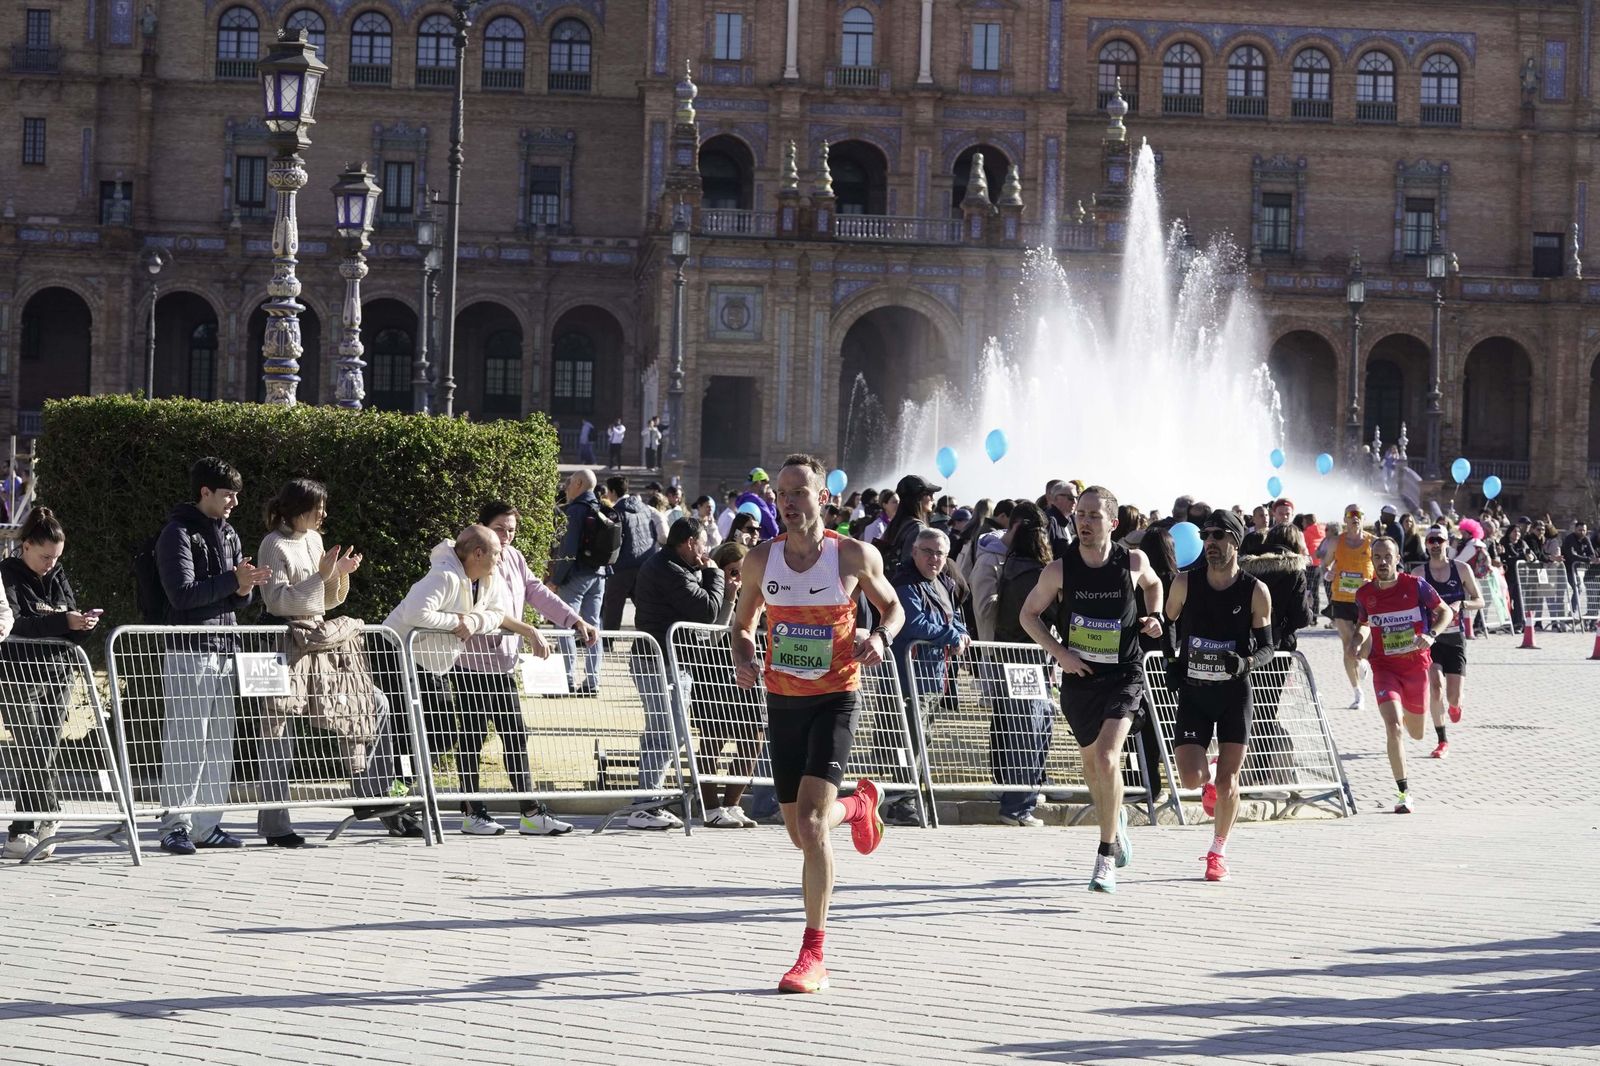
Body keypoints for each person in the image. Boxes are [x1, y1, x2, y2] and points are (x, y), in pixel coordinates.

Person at [730, 453, 903, 994]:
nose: (789, 502)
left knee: (809, 825)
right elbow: (742, 624)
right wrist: (743, 655)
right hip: (783, 700)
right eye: (782, 494)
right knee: (798, 831)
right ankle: (857, 806)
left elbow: (893, 606)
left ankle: (813, 955)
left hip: (835, 697)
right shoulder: (762, 559)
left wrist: (879, 637)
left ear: (822, 498)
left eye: (800, 493)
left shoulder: (852, 554)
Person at [1020, 485, 1165, 894]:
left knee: (1106, 756)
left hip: (1124, 674)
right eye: (1080, 514)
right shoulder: (1059, 569)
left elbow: (1154, 586)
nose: (1083, 521)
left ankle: (1105, 855)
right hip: (1079, 677)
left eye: (1093, 516)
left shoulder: (1133, 560)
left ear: (1112, 523)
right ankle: (1114, 823)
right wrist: (1060, 653)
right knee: (1094, 768)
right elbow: (1028, 615)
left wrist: (1154, 617)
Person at [255, 478, 401, 847]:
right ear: (294, 508)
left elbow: (326, 601)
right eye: (315, 507)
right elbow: (277, 602)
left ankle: (374, 797)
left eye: (324, 506)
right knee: (275, 729)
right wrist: (322, 576)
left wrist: (339, 576)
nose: (322, 514)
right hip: (274, 642)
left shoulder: (316, 541)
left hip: (318, 639)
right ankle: (275, 824)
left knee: (373, 703)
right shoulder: (272, 544)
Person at [454, 501, 598, 836]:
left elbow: (536, 592)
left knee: (516, 734)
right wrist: (529, 630)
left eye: (511, 530)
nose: (506, 536)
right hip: (472, 663)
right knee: (472, 736)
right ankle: (472, 810)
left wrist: (574, 620)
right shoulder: (470, 562)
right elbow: (485, 610)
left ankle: (530, 810)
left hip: (503, 663)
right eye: (500, 529)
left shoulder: (515, 558)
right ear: (483, 529)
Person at [155, 457, 271, 856]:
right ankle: (176, 825)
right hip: (190, 649)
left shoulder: (231, 534)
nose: (234, 502)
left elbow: (238, 599)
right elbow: (181, 595)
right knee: (186, 740)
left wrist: (244, 589)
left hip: (225, 648)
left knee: (220, 741)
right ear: (204, 492)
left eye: (237, 495)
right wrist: (232, 582)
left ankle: (208, 824)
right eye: (227, 495)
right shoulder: (177, 534)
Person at [1164, 510, 1274, 882]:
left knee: (1229, 782)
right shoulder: (1184, 583)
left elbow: (1268, 648)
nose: (1210, 542)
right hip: (1194, 694)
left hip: (1233, 695)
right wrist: (1172, 661)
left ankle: (1218, 851)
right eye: (1206, 535)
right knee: (1192, 780)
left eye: (1219, 535)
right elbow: (1168, 627)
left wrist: (1244, 664)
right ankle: (1208, 775)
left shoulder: (1255, 591)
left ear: (1236, 542)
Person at [382, 526, 507, 829]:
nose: (501, 559)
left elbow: (498, 613)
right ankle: (392, 798)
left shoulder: (489, 579)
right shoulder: (444, 576)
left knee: (441, 731)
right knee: (416, 731)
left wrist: (475, 621)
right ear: (478, 554)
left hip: (434, 662)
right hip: (400, 656)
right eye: (496, 553)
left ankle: (394, 794)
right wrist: (457, 622)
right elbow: (416, 613)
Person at [1, 508, 89, 860]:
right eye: (45, 556)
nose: (51, 564)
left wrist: (80, 624)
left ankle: (32, 825)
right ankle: (40, 816)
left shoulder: (57, 573)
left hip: (58, 670)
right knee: (32, 749)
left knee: (45, 747)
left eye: (56, 557)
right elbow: (17, 624)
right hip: (18, 672)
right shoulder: (7, 574)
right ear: (25, 547)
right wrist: (61, 622)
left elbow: (67, 614)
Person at [629, 516, 725, 829]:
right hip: (658, 661)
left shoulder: (677, 566)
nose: (706, 549)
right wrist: (715, 574)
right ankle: (645, 804)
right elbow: (707, 610)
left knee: (673, 732)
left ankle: (650, 801)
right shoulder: (668, 569)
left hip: (674, 660)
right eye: (703, 543)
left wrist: (705, 572)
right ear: (688, 543)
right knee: (665, 731)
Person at [1354, 537, 1452, 814]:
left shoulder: (1416, 586)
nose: (1382, 562)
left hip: (1415, 668)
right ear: (1371, 560)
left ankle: (1421, 726)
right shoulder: (1364, 594)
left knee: (1417, 733)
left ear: (1397, 558)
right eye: (1377, 557)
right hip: (1384, 668)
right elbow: (1363, 623)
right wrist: (1356, 642)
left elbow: (1443, 611)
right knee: (1393, 726)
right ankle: (1403, 792)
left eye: (1388, 556)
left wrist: (1431, 635)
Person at [886, 527, 969, 827]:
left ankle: (914, 795)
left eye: (940, 554)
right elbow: (915, 622)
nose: (934, 558)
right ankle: (902, 800)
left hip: (935, 675)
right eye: (928, 552)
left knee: (924, 739)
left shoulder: (942, 583)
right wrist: (950, 635)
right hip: (909, 675)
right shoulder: (905, 583)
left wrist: (961, 633)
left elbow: (954, 616)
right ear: (914, 552)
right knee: (909, 739)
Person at [990, 502, 1055, 826]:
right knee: (1030, 730)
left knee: (1014, 728)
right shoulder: (1037, 575)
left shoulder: (1009, 567)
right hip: (1027, 658)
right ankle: (1018, 805)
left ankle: (1012, 797)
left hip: (1009, 655)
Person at [1415, 525, 1483, 758]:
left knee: (1453, 696)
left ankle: (1455, 706)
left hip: (1455, 639)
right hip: (1431, 639)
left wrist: (1461, 605)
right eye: (1430, 540)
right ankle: (1442, 741)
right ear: (1426, 545)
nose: (1435, 544)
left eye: (1439, 540)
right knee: (1435, 689)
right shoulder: (1419, 573)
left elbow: (1479, 600)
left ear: (1447, 543)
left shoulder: (1461, 569)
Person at [549, 469, 610, 694]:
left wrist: (556, 580)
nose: (567, 487)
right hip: (599, 574)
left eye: (571, 482)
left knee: (565, 624)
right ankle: (592, 680)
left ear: (580, 484)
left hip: (575, 575)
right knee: (594, 626)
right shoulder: (603, 508)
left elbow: (568, 550)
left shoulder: (575, 511)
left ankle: (567, 679)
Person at [1325, 504, 1375, 709]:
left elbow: (1384, 567)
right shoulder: (1337, 541)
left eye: (1358, 515)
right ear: (1345, 519)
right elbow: (1326, 564)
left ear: (1363, 518)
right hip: (1341, 598)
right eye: (1350, 515)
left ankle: (1363, 662)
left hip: (1366, 599)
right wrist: (1328, 572)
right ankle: (1357, 693)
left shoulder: (1372, 542)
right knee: (1347, 645)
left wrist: (1372, 582)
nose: (1354, 518)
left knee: (1363, 642)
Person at [599, 476, 658, 631]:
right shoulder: (645, 508)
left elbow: (614, 541)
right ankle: (651, 639)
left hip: (622, 566)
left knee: (613, 606)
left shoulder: (616, 512)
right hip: (645, 563)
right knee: (646, 607)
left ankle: (607, 643)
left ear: (611, 492)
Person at [734, 468, 781, 541]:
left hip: (742, 541)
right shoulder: (758, 502)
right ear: (758, 483)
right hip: (759, 544)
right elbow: (774, 530)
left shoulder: (743, 500)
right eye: (766, 483)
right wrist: (771, 504)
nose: (768, 487)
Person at [1045, 480, 1078, 558]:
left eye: (1076, 498)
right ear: (1056, 498)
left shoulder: (1071, 520)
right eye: (1070, 497)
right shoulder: (1049, 521)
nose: (1075, 501)